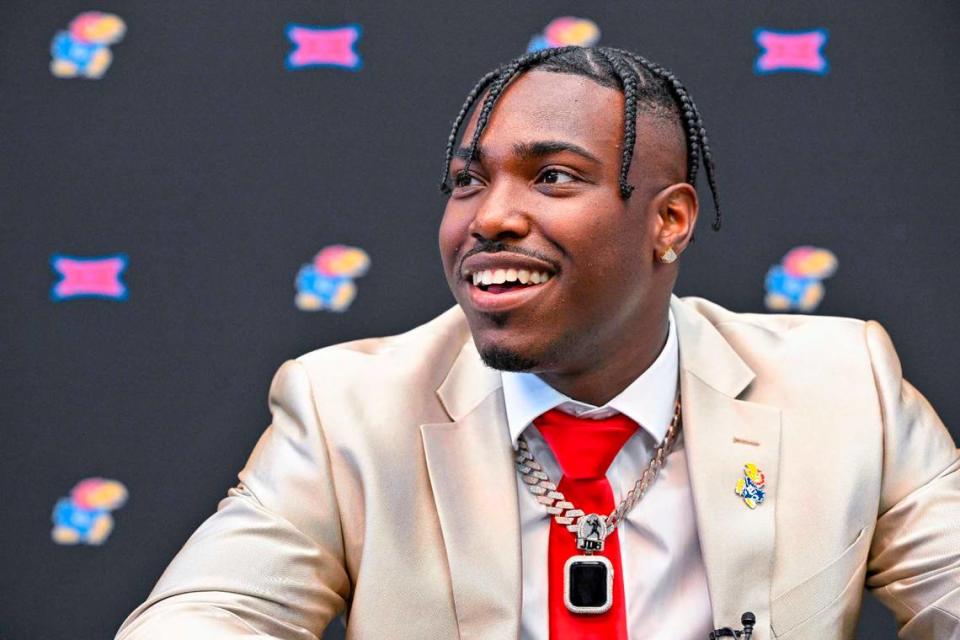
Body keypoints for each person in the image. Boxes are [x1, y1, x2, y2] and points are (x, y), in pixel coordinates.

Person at [115, 46, 960, 640]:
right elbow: (213, 612)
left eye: (553, 177)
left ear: (668, 222)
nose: (489, 217)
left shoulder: (846, 387)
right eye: (467, 183)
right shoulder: (347, 409)